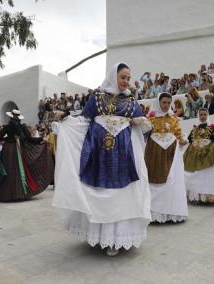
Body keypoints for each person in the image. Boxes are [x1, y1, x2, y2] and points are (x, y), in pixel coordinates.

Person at [52, 62, 151, 257]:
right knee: (100, 191)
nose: (125, 81)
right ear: (113, 76)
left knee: (120, 195)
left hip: (124, 155)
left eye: (128, 78)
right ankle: (99, 235)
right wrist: (66, 120)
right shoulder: (97, 97)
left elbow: (146, 126)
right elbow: (84, 120)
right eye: (123, 77)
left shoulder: (131, 101)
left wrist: (142, 121)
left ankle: (116, 238)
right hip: (98, 153)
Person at [143, 92, 189, 223]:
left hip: (170, 152)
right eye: (164, 102)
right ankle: (153, 213)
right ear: (158, 102)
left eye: (169, 103)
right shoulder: (150, 118)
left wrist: (183, 140)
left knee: (171, 180)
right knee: (153, 180)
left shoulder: (173, 118)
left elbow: (178, 133)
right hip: (153, 151)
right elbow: (143, 132)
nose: (166, 105)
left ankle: (170, 212)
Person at [0, 109, 54, 201]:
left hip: (8, 150)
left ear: (11, 117)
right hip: (18, 150)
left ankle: (6, 194)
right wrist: (41, 140)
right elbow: (29, 139)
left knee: (8, 170)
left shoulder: (6, 127)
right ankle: (19, 193)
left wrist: (8, 139)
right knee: (17, 170)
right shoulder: (22, 127)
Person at [183, 108, 214, 203]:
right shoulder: (195, 128)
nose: (203, 116)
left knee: (205, 174)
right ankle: (195, 197)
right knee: (194, 174)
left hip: (207, 153)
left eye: (204, 114)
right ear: (198, 116)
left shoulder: (211, 127)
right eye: (201, 115)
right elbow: (188, 140)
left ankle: (207, 197)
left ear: (207, 115)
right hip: (193, 154)